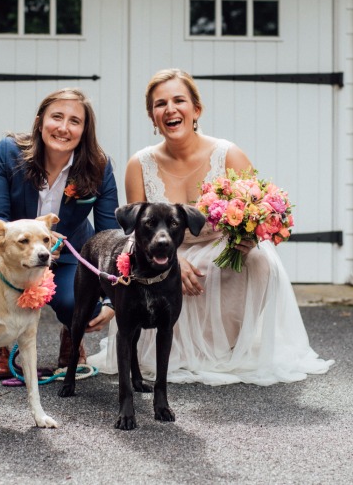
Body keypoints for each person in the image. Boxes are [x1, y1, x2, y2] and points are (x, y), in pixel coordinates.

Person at [88, 69, 334, 385]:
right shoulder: (140, 164)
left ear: (196, 110)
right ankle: (173, 350)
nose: (170, 109)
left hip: (219, 246)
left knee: (261, 260)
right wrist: (174, 260)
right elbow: (134, 233)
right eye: (160, 104)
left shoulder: (228, 154)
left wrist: (249, 239)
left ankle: (229, 347)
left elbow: (258, 212)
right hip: (163, 252)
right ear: (153, 117)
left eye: (179, 100)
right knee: (160, 270)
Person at [0, 88, 118, 379]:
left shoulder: (98, 166)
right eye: (57, 117)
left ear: (84, 130)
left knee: (84, 308)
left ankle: (72, 332)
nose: (64, 128)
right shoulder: (9, 152)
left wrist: (110, 299)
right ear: (41, 122)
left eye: (75, 121)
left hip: (66, 258)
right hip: (12, 253)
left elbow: (110, 237)